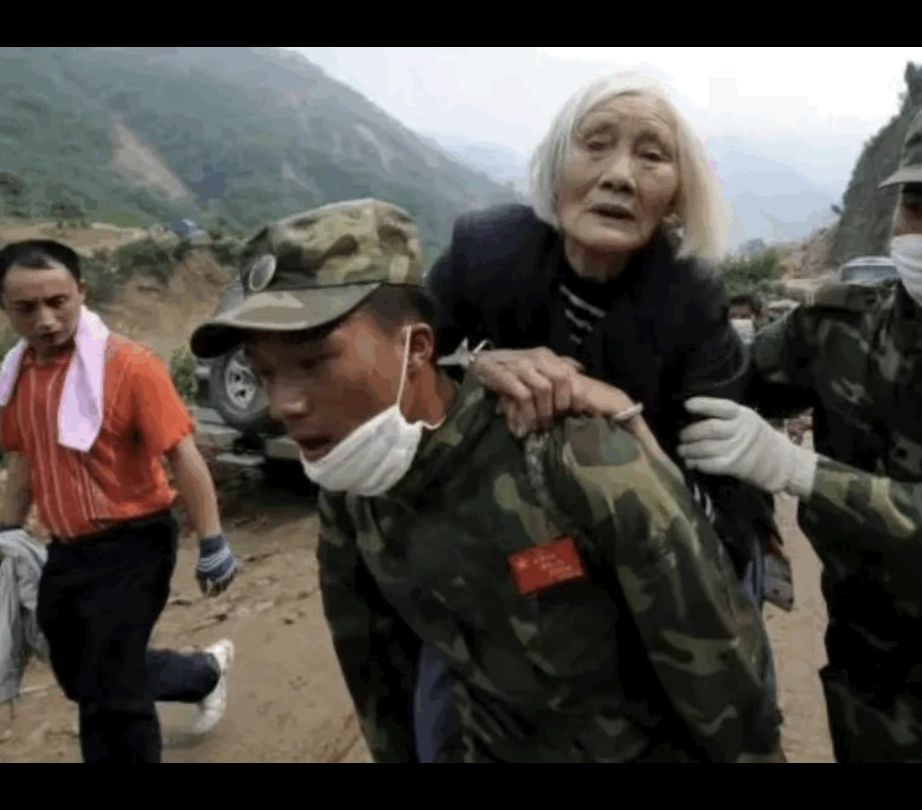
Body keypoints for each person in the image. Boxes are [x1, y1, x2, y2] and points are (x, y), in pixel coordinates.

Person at [188, 198, 784, 763]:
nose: (284, 404)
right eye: (265, 374)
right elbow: (380, 686)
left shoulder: (576, 465)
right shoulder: (355, 496)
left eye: (314, 362)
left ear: (417, 349)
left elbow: (728, 692)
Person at [672, 94, 922, 762]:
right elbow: (708, 387)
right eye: (918, 206)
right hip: (870, 704)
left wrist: (803, 473)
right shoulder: (839, 327)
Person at [420, 71, 782, 762]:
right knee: (444, 708)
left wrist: (629, 421)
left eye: (652, 155)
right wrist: (474, 366)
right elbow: (405, 381)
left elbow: (722, 521)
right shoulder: (483, 253)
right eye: (597, 145)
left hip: (653, 549)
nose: (619, 175)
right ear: (557, 167)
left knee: (728, 683)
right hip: (510, 541)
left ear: (676, 195)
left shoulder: (692, 302)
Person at [0, 239, 239, 763]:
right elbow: (26, 459)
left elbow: (182, 454)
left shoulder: (129, 367)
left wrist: (213, 540)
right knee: (77, 671)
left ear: (81, 293)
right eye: (26, 307)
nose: (45, 319)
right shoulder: (17, 376)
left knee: (111, 695)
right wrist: (6, 533)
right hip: (65, 548)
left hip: (135, 543)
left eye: (58, 301)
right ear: (5, 307)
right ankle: (202, 672)